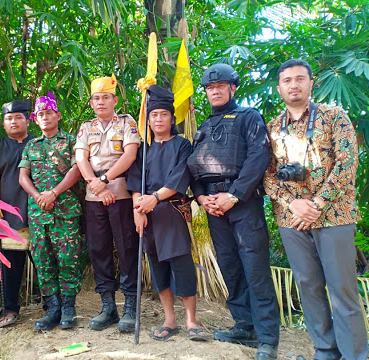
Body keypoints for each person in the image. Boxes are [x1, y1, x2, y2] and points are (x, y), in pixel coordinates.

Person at [264, 59, 367, 360]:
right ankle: (324, 351)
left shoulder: (335, 116)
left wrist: (318, 205)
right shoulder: (272, 127)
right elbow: (267, 175)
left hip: (334, 216)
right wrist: (292, 203)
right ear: (280, 87)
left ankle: (355, 355)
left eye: (299, 79)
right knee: (308, 287)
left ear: (312, 82)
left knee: (342, 289)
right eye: (287, 80)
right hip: (291, 218)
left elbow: (347, 164)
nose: (293, 85)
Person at [187, 64, 280, 359]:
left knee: (255, 268)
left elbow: (258, 156)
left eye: (220, 86)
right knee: (230, 266)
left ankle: (267, 338)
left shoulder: (248, 117)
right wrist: (201, 198)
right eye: (210, 88)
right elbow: (194, 167)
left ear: (232, 88)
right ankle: (244, 326)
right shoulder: (204, 127)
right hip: (214, 207)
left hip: (243, 204)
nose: (214, 91)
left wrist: (234, 195)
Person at [127, 85, 207, 341]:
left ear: (172, 118)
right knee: (157, 266)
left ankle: (192, 320)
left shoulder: (182, 145)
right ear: (147, 120)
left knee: (181, 266)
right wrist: (138, 209)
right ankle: (169, 320)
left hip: (172, 211)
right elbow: (135, 182)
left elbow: (179, 177)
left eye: (163, 114)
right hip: (147, 216)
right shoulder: (142, 149)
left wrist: (154, 198)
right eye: (153, 115)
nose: (158, 119)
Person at [75, 74, 140, 332]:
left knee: (126, 249)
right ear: (91, 103)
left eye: (105, 97)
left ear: (115, 100)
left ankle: (131, 307)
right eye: (96, 98)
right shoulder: (86, 126)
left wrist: (103, 180)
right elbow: (81, 158)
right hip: (94, 196)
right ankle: (108, 307)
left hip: (121, 193)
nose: (100, 102)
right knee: (99, 250)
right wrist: (96, 185)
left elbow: (130, 154)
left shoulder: (126, 122)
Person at [18, 92, 83, 331]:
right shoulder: (31, 146)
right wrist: (38, 197)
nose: (45, 117)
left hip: (65, 210)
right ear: (36, 119)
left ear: (58, 115)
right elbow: (23, 175)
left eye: (49, 113)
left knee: (68, 259)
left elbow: (77, 170)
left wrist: (53, 193)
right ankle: (52, 307)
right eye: (41, 114)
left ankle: (68, 307)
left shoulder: (70, 141)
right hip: (38, 213)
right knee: (43, 261)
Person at [0, 100, 33, 328]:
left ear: (27, 120)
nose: (14, 121)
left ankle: (54, 307)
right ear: (3, 122)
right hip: (8, 217)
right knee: (10, 267)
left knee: (46, 264)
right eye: (9, 118)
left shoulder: (38, 143)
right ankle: (10, 310)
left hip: (39, 214)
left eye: (18, 117)